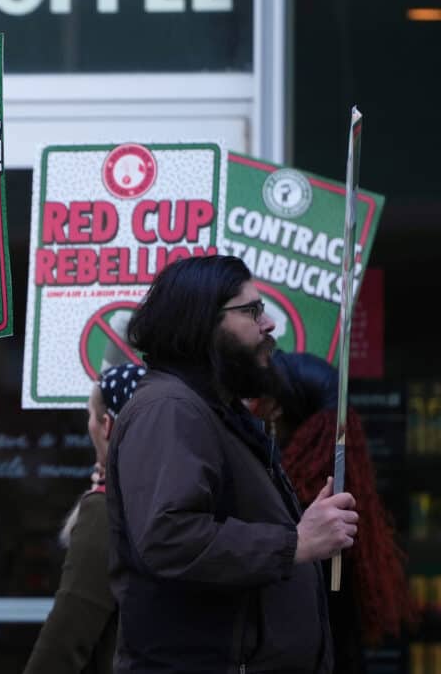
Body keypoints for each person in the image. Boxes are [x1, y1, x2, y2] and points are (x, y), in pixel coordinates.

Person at [107, 255, 358, 672]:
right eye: (252, 311)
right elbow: (169, 536)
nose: (269, 324)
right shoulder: (170, 408)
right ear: (202, 320)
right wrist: (293, 543)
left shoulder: (213, 409)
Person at [252, 351, 414, 673]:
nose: (257, 405)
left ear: (277, 409)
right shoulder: (331, 490)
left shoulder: (298, 500)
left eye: (264, 396)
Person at [23, 363, 143, 674]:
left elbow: (66, 637)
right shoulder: (171, 497)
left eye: (89, 415)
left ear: (105, 426)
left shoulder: (109, 509)